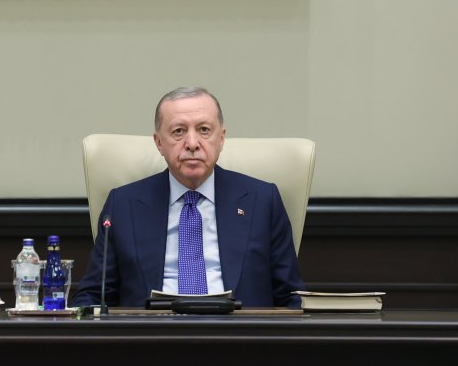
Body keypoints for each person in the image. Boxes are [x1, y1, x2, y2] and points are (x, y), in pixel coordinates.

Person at [70, 87, 305, 308]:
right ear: (159, 142)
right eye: (178, 131)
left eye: (204, 130)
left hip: (239, 340)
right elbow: (92, 295)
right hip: (150, 340)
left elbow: (291, 296)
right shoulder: (123, 204)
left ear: (221, 138)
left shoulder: (262, 201)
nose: (192, 144)